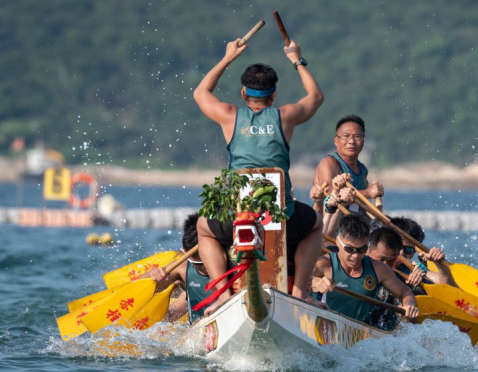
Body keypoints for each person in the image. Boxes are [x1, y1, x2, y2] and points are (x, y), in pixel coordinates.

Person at [193, 35, 325, 311]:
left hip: (237, 215)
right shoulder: (285, 116)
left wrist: (228, 57)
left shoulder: (229, 115)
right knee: (315, 225)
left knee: (203, 228)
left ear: (244, 94)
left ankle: (223, 295)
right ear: (273, 95)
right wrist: (296, 59)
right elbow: (316, 96)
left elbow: (200, 93)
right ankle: (301, 292)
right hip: (282, 215)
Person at [311, 214, 419, 326]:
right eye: (350, 249)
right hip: (323, 325)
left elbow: (405, 292)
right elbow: (295, 284)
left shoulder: (379, 269)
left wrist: (409, 305)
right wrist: (314, 282)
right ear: (338, 241)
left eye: (361, 249)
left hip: (359, 335)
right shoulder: (322, 264)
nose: (355, 256)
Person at [143, 213, 215, 324]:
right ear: (185, 253)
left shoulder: (230, 260)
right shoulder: (182, 268)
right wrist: (153, 275)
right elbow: (170, 316)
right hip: (198, 332)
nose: (204, 267)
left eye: (207, 260)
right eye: (198, 263)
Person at [311, 115, 384, 216]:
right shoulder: (328, 163)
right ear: (336, 140)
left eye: (357, 136)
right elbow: (332, 200)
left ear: (363, 141)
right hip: (330, 229)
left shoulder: (362, 169)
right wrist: (367, 193)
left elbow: (360, 210)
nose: (352, 141)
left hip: (354, 228)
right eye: (346, 136)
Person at [390, 217, 457, 287]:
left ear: (414, 252)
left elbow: (448, 287)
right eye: (397, 246)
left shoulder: (415, 269)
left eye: (408, 249)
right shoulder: (378, 263)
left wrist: (440, 264)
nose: (401, 253)